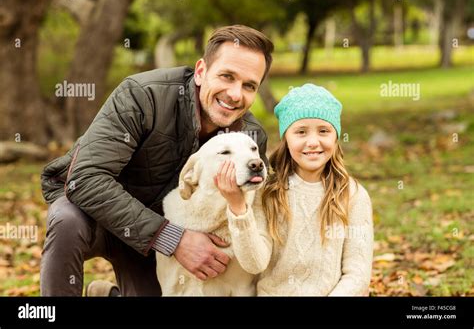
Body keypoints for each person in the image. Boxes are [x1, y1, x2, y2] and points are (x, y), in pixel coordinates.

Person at [40, 25, 274, 296]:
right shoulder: (142, 96)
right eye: (227, 76)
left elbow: (258, 208)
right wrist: (173, 239)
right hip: (97, 217)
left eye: (248, 85)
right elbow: (85, 178)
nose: (235, 94)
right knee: (66, 220)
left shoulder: (250, 138)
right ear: (201, 72)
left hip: (153, 240)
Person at [215, 83, 374, 296]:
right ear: (286, 139)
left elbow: (358, 275)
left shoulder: (353, 195)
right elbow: (254, 264)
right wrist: (237, 206)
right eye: (300, 132)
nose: (313, 142)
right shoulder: (267, 192)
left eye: (324, 131)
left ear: (336, 137)